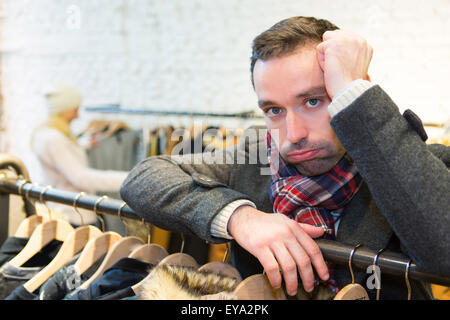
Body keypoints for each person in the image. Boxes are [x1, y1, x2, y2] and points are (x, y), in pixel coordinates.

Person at [119, 17, 450, 299]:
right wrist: (241, 217)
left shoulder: (420, 165)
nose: (292, 135)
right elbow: (144, 178)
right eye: (274, 110)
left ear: (351, 91)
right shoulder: (253, 161)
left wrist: (359, 102)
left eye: (312, 101)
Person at [31, 84, 129, 226]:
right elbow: (81, 178)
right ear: (64, 109)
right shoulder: (55, 139)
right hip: (75, 215)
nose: (78, 115)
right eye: (75, 109)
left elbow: (59, 157)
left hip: (65, 209)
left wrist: (83, 144)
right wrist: (127, 179)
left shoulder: (44, 133)